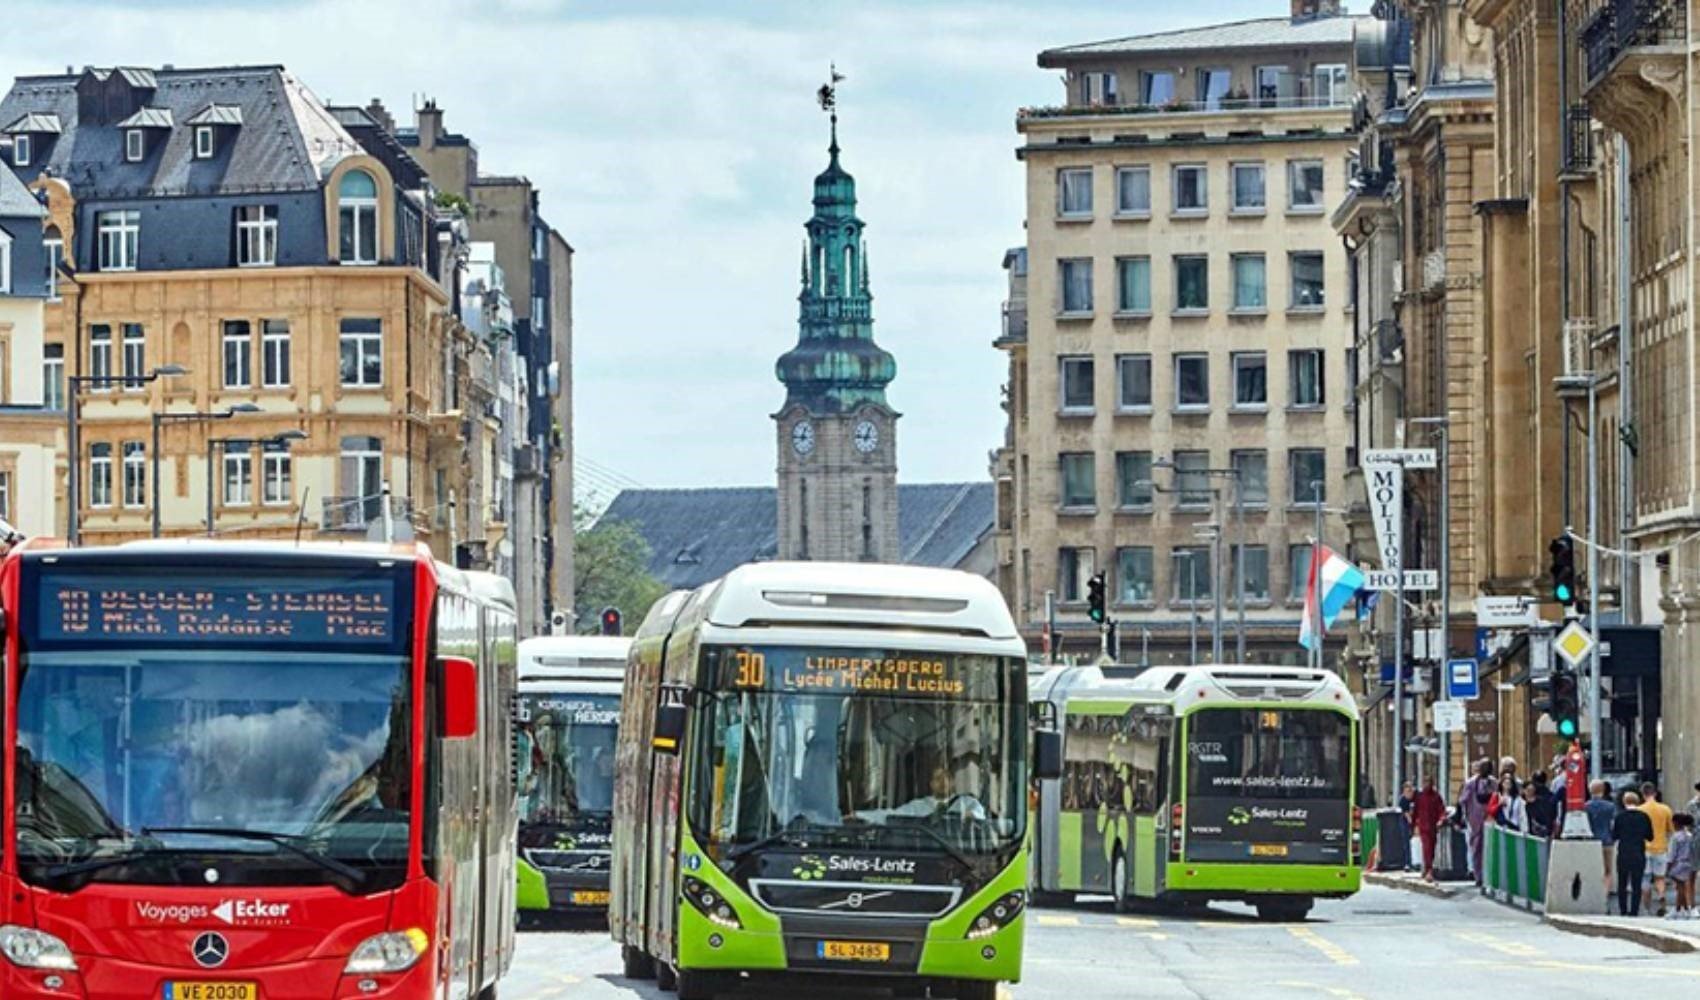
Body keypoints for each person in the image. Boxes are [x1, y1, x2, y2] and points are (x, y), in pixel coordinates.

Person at [1614, 791, 1655, 917]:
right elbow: (1650, 837)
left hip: (1624, 852)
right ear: (1638, 802)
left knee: (1622, 883)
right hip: (1638, 853)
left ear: (1624, 802)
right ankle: (1634, 911)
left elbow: (1614, 835)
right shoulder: (1644, 816)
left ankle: (1623, 909)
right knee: (1636, 883)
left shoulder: (1619, 817)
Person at [1640, 782, 1676, 916]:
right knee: (1660, 878)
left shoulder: (1640, 810)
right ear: (1655, 793)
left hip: (1644, 848)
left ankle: (1646, 908)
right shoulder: (1665, 809)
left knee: (1645, 879)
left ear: (1643, 794)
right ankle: (1661, 895)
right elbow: (1671, 830)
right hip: (1661, 848)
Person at [1460, 759, 1496, 884]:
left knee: (1491, 847)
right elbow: (1463, 800)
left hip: (1491, 819)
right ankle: (1478, 875)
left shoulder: (1494, 783)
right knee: (1476, 848)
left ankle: (1490, 875)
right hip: (1475, 820)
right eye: (1483, 767)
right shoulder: (1471, 783)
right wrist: (1464, 817)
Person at [1585, 780, 1617, 906]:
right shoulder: (1610, 806)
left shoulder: (1585, 806)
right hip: (1607, 841)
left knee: (1592, 869)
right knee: (1608, 870)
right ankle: (1605, 894)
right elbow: (1613, 824)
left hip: (1591, 841)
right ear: (1603, 791)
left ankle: (1593, 893)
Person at [1413, 777, 1448, 882]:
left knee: (1431, 848)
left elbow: (1441, 809)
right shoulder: (1419, 796)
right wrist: (1414, 824)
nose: (1426, 784)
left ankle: (1428, 868)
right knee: (1426, 848)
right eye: (1425, 782)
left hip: (1433, 826)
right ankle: (1429, 870)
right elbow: (1415, 811)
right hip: (1423, 826)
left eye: (1429, 782)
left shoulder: (1436, 796)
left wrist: (1441, 819)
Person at [1667, 814, 1696, 920]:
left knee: (1680, 887)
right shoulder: (1689, 835)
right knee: (1681, 887)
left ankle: (1679, 909)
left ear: (1675, 823)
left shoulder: (1675, 837)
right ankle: (1682, 909)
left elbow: (1672, 854)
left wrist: (1668, 866)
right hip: (1688, 863)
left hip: (1677, 864)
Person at [1528, 772, 1558, 838]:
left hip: (1533, 829)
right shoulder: (1550, 795)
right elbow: (1554, 813)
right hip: (1548, 828)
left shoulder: (1531, 795)